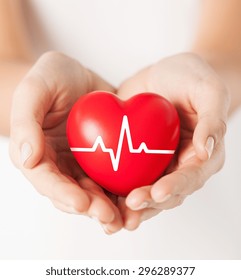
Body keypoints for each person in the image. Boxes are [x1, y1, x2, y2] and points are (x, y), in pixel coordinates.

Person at [0, 0, 240, 236]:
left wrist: (205, 88)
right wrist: (32, 104)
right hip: (36, 220)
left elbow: (232, 54)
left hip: (213, 216)